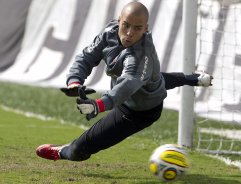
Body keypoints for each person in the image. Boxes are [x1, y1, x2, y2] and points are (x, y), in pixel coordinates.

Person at [36, 1, 213, 161]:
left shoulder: (142, 55)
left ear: (146, 29)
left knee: (79, 151)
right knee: (155, 78)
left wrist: (98, 105)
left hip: (139, 111)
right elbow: (87, 57)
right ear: (119, 20)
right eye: (126, 25)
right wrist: (74, 81)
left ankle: (61, 151)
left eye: (137, 28)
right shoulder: (109, 32)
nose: (129, 33)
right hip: (144, 84)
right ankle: (191, 78)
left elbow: (127, 86)